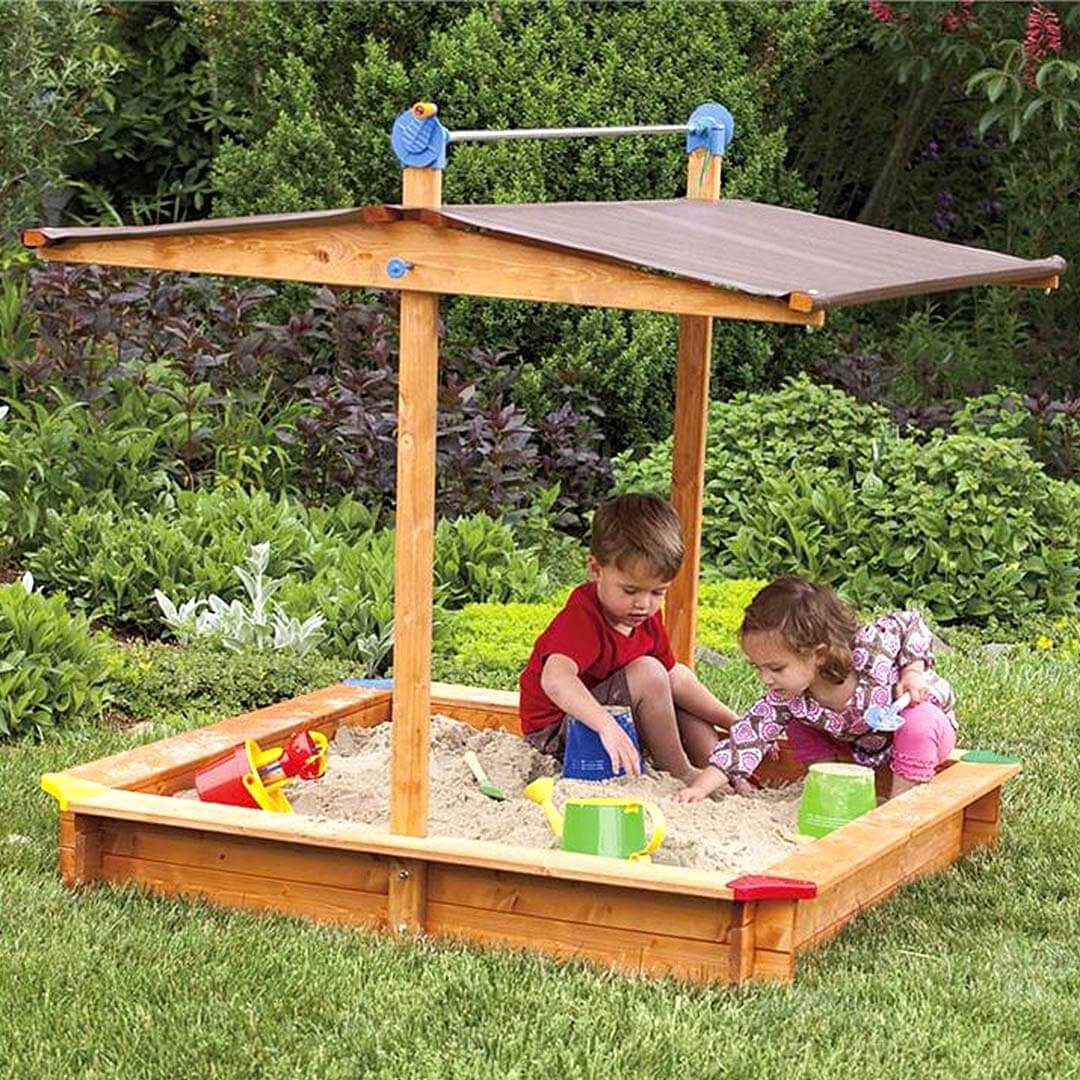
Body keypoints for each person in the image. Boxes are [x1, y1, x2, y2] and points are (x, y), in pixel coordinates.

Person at [674, 576, 956, 803]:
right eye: (757, 667)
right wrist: (700, 788)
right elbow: (747, 738)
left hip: (923, 737)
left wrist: (912, 672)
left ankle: (900, 804)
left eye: (776, 668)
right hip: (860, 745)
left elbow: (909, 622)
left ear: (819, 654)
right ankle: (829, 784)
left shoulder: (871, 651)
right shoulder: (786, 698)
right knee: (798, 724)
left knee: (919, 719)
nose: (765, 678)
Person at [518, 493, 739, 783]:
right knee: (649, 672)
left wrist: (735, 723)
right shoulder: (582, 618)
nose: (644, 605)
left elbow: (676, 678)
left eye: (658, 592)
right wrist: (604, 723)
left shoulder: (644, 617)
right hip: (560, 732)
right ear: (596, 570)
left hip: (614, 719)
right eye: (630, 590)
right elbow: (555, 680)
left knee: (680, 688)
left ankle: (724, 769)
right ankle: (680, 771)